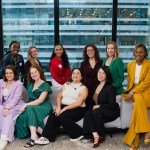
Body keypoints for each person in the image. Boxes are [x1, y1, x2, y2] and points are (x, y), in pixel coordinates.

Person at [35, 68, 88, 145]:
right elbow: (59, 96)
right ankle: (45, 137)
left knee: (62, 116)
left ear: (81, 77)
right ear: (71, 75)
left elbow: (79, 103)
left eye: (78, 73)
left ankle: (78, 133)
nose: (75, 75)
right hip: (64, 106)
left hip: (78, 109)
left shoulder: (83, 88)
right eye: (74, 73)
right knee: (54, 115)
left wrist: (65, 109)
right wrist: (59, 107)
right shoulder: (66, 84)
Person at [15, 65, 53, 148]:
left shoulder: (45, 84)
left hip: (44, 106)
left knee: (29, 108)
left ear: (39, 72)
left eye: (35, 72)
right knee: (20, 117)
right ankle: (44, 133)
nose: (34, 74)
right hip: (32, 105)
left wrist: (26, 104)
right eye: (32, 73)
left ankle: (33, 136)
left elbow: (40, 100)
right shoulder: (30, 84)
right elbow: (28, 98)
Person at [83, 66, 120, 148]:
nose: (100, 75)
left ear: (107, 75)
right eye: (99, 72)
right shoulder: (96, 85)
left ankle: (102, 135)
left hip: (111, 111)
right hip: (100, 111)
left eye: (103, 73)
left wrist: (99, 106)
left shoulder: (110, 87)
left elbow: (112, 104)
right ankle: (95, 135)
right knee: (88, 113)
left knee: (95, 111)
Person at [122, 44, 150, 150]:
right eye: (136, 52)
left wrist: (132, 92)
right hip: (134, 91)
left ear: (145, 54)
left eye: (141, 52)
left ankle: (133, 141)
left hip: (146, 92)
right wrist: (130, 91)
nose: (138, 54)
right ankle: (147, 130)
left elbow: (147, 82)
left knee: (137, 104)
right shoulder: (130, 64)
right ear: (134, 53)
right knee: (137, 99)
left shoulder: (148, 64)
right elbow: (130, 80)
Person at [0, 65, 25, 150]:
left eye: (10, 73)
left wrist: (7, 107)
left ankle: (4, 138)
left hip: (16, 104)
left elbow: (16, 98)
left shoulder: (19, 84)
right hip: (3, 104)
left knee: (8, 114)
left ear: (14, 73)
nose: (8, 75)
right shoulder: (1, 82)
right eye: (7, 73)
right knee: (0, 109)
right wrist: (4, 107)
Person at [80, 44, 103, 110]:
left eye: (92, 50)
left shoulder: (101, 62)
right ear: (86, 52)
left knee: (97, 108)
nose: (90, 51)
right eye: (88, 50)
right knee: (88, 109)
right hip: (87, 89)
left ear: (95, 51)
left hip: (99, 88)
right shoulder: (83, 63)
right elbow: (81, 77)